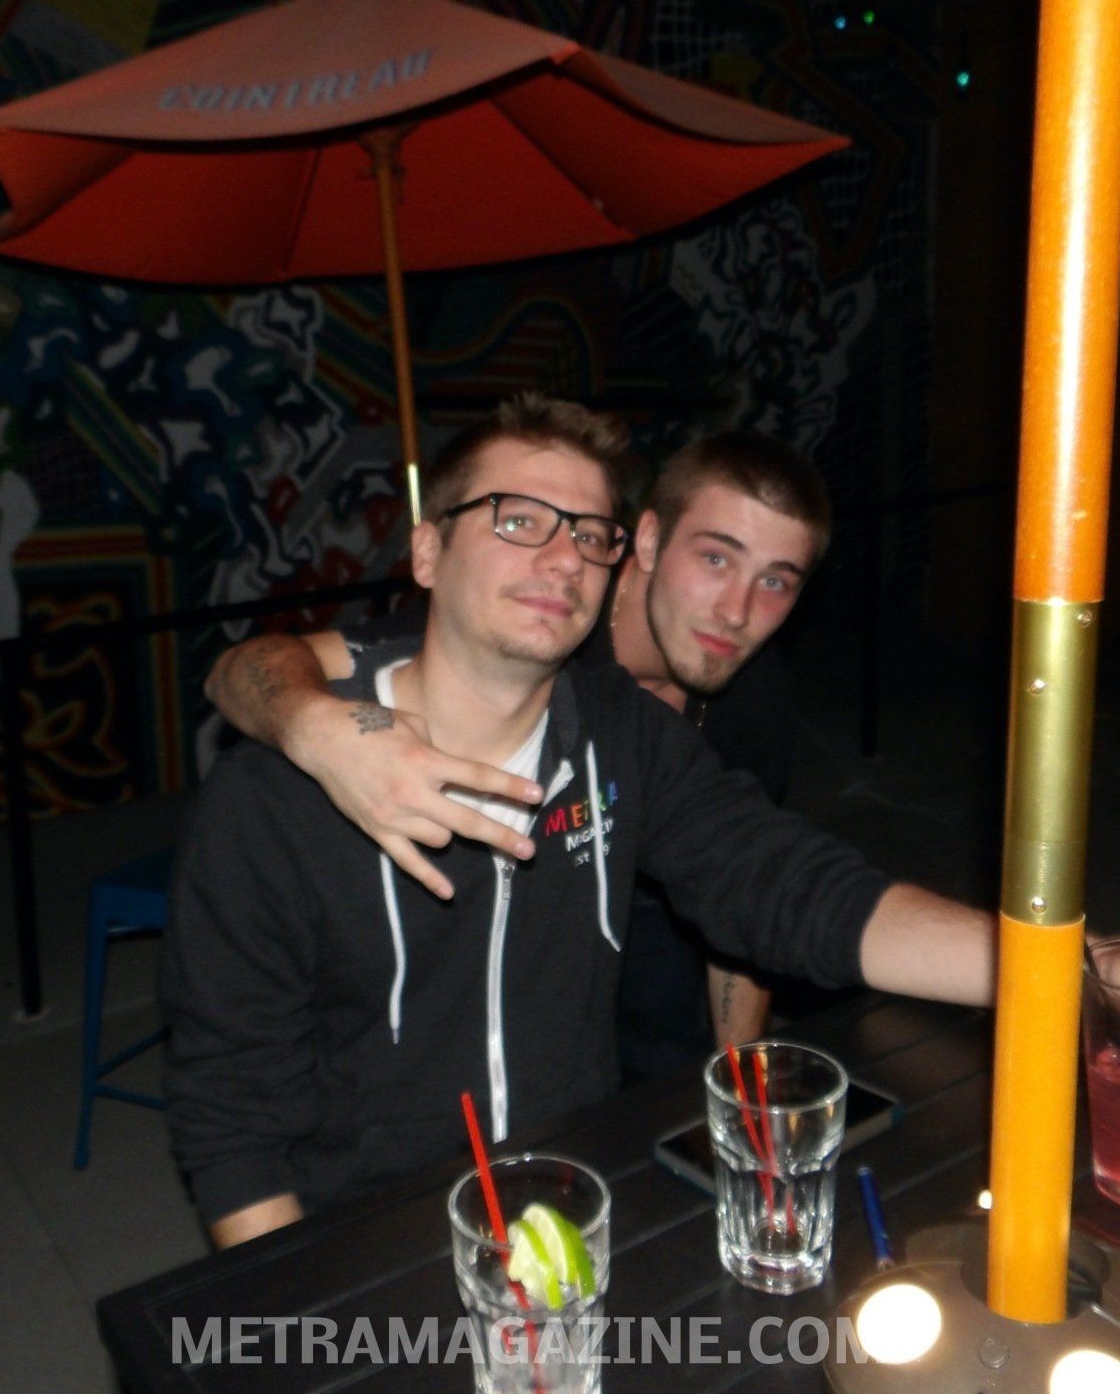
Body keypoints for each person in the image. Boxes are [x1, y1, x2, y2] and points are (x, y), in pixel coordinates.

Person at [163, 395, 1120, 1249]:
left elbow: (804, 896)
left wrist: (1103, 967)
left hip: (581, 1210)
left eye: (590, 534)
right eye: (518, 520)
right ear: (426, 549)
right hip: (369, 1237)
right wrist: (306, 1330)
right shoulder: (274, 796)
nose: (561, 556)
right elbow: (231, 1126)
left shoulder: (625, 739)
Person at [206, 431, 831, 1080]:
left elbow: (745, 898)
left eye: (775, 580)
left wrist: (743, 1082)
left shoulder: (755, 696)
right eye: (716, 559)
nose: (737, 612)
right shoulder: (541, 623)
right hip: (529, 892)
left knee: (672, 1075)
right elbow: (243, 669)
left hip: (659, 912)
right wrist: (317, 728)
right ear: (647, 541)